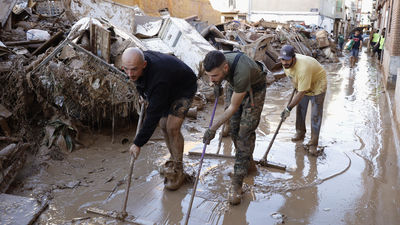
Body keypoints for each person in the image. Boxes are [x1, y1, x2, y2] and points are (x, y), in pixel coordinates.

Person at [121, 47, 197, 191]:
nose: (130, 74)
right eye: (127, 69)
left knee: (172, 127)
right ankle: (173, 159)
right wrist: (143, 94)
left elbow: (152, 116)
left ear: (144, 65)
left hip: (183, 88)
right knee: (163, 125)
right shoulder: (136, 67)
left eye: (134, 70)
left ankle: (179, 169)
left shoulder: (158, 79)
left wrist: (138, 143)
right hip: (167, 86)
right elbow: (138, 81)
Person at [202, 50, 266, 205]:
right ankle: (247, 164)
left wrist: (213, 128)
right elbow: (215, 75)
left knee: (244, 133)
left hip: (254, 90)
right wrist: (216, 84)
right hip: (234, 86)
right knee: (233, 130)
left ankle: (237, 183)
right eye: (209, 76)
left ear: (225, 68)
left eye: (214, 76)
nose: (211, 79)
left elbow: (232, 108)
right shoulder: (216, 62)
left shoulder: (242, 71)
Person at [278, 45, 327, 155]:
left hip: (317, 84)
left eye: (287, 60)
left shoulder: (303, 68)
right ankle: (300, 132)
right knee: (300, 109)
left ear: (293, 58)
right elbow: (293, 78)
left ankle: (313, 143)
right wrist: (297, 85)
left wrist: (288, 108)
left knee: (315, 115)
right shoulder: (286, 65)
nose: (284, 62)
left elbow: (301, 93)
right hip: (303, 83)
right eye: (282, 59)